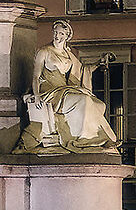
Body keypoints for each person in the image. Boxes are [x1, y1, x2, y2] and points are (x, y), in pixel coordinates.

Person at [21, 19, 120, 151]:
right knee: (84, 100)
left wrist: (99, 62)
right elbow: (36, 76)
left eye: (61, 33)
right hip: (49, 92)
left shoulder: (69, 55)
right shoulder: (44, 51)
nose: (57, 36)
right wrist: (37, 95)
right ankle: (85, 140)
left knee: (98, 104)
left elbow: (83, 70)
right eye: (55, 32)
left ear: (67, 36)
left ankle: (101, 138)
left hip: (64, 90)